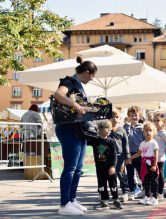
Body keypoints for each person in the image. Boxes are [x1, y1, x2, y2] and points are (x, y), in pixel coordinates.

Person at [54, 56, 97, 215]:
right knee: (71, 168)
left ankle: (71, 200)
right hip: (67, 129)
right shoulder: (69, 81)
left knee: (78, 168)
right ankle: (64, 204)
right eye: (92, 75)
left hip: (79, 129)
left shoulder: (78, 83)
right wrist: (75, 104)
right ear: (86, 72)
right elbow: (58, 95)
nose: (92, 79)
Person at [89, 120, 122, 210]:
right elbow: (86, 141)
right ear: (99, 129)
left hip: (110, 168)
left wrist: (113, 166)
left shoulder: (111, 141)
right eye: (107, 128)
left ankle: (116, 200)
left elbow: (114, 154)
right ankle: (104, 202)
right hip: (100, 168)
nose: (109, 130)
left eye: (110, 128)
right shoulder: (95, 140)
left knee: (113, 185)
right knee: (101, 185)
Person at [129, 122, 159, 206]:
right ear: (143, 132)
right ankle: (147, 196)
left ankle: (155, 198)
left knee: (153, 181)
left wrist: (154, 165)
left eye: (150, 130)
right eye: (146, 130)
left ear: (154, 132)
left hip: (151, 163)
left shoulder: (154, 143)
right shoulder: (142, 143)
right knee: (146, 181)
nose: (148, 132)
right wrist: (130, 158)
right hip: (144, 164)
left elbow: (156, 155)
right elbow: (139, 153)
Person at [123, 106, 144, 200]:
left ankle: (144, 189)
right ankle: (132, 190)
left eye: (136, 115)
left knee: (141, 172)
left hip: (139, 153)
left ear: (139, 116)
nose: (134, 117)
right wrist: (127, 126)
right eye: (132, 115)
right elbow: (125, 137)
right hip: (129, 154)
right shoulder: (126, 127)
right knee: (130, 174)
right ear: (128, 116)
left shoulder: (142, 127)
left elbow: (145, 140)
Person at [109, 109, 130, 202]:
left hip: (120, 155)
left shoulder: (122, 130)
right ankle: (109, 193)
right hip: (108, 156)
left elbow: (125, 144)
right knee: (109, 175)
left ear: (120, 119)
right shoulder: (106, 129)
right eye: (112, 117)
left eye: (116, 117)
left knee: (121, 174)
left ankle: (125, 192)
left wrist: (127, 157)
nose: (114, 119)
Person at [154, 113, 166, 200]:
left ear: (163, 122)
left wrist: (164, 151)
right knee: (154, 175)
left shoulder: (163, 133)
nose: (155, 122)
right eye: (154, 120)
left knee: (160, 175)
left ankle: (160, 193)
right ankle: (155, 191)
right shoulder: (154, 132)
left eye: (158, 120)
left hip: (160, 157)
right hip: (153, 157)